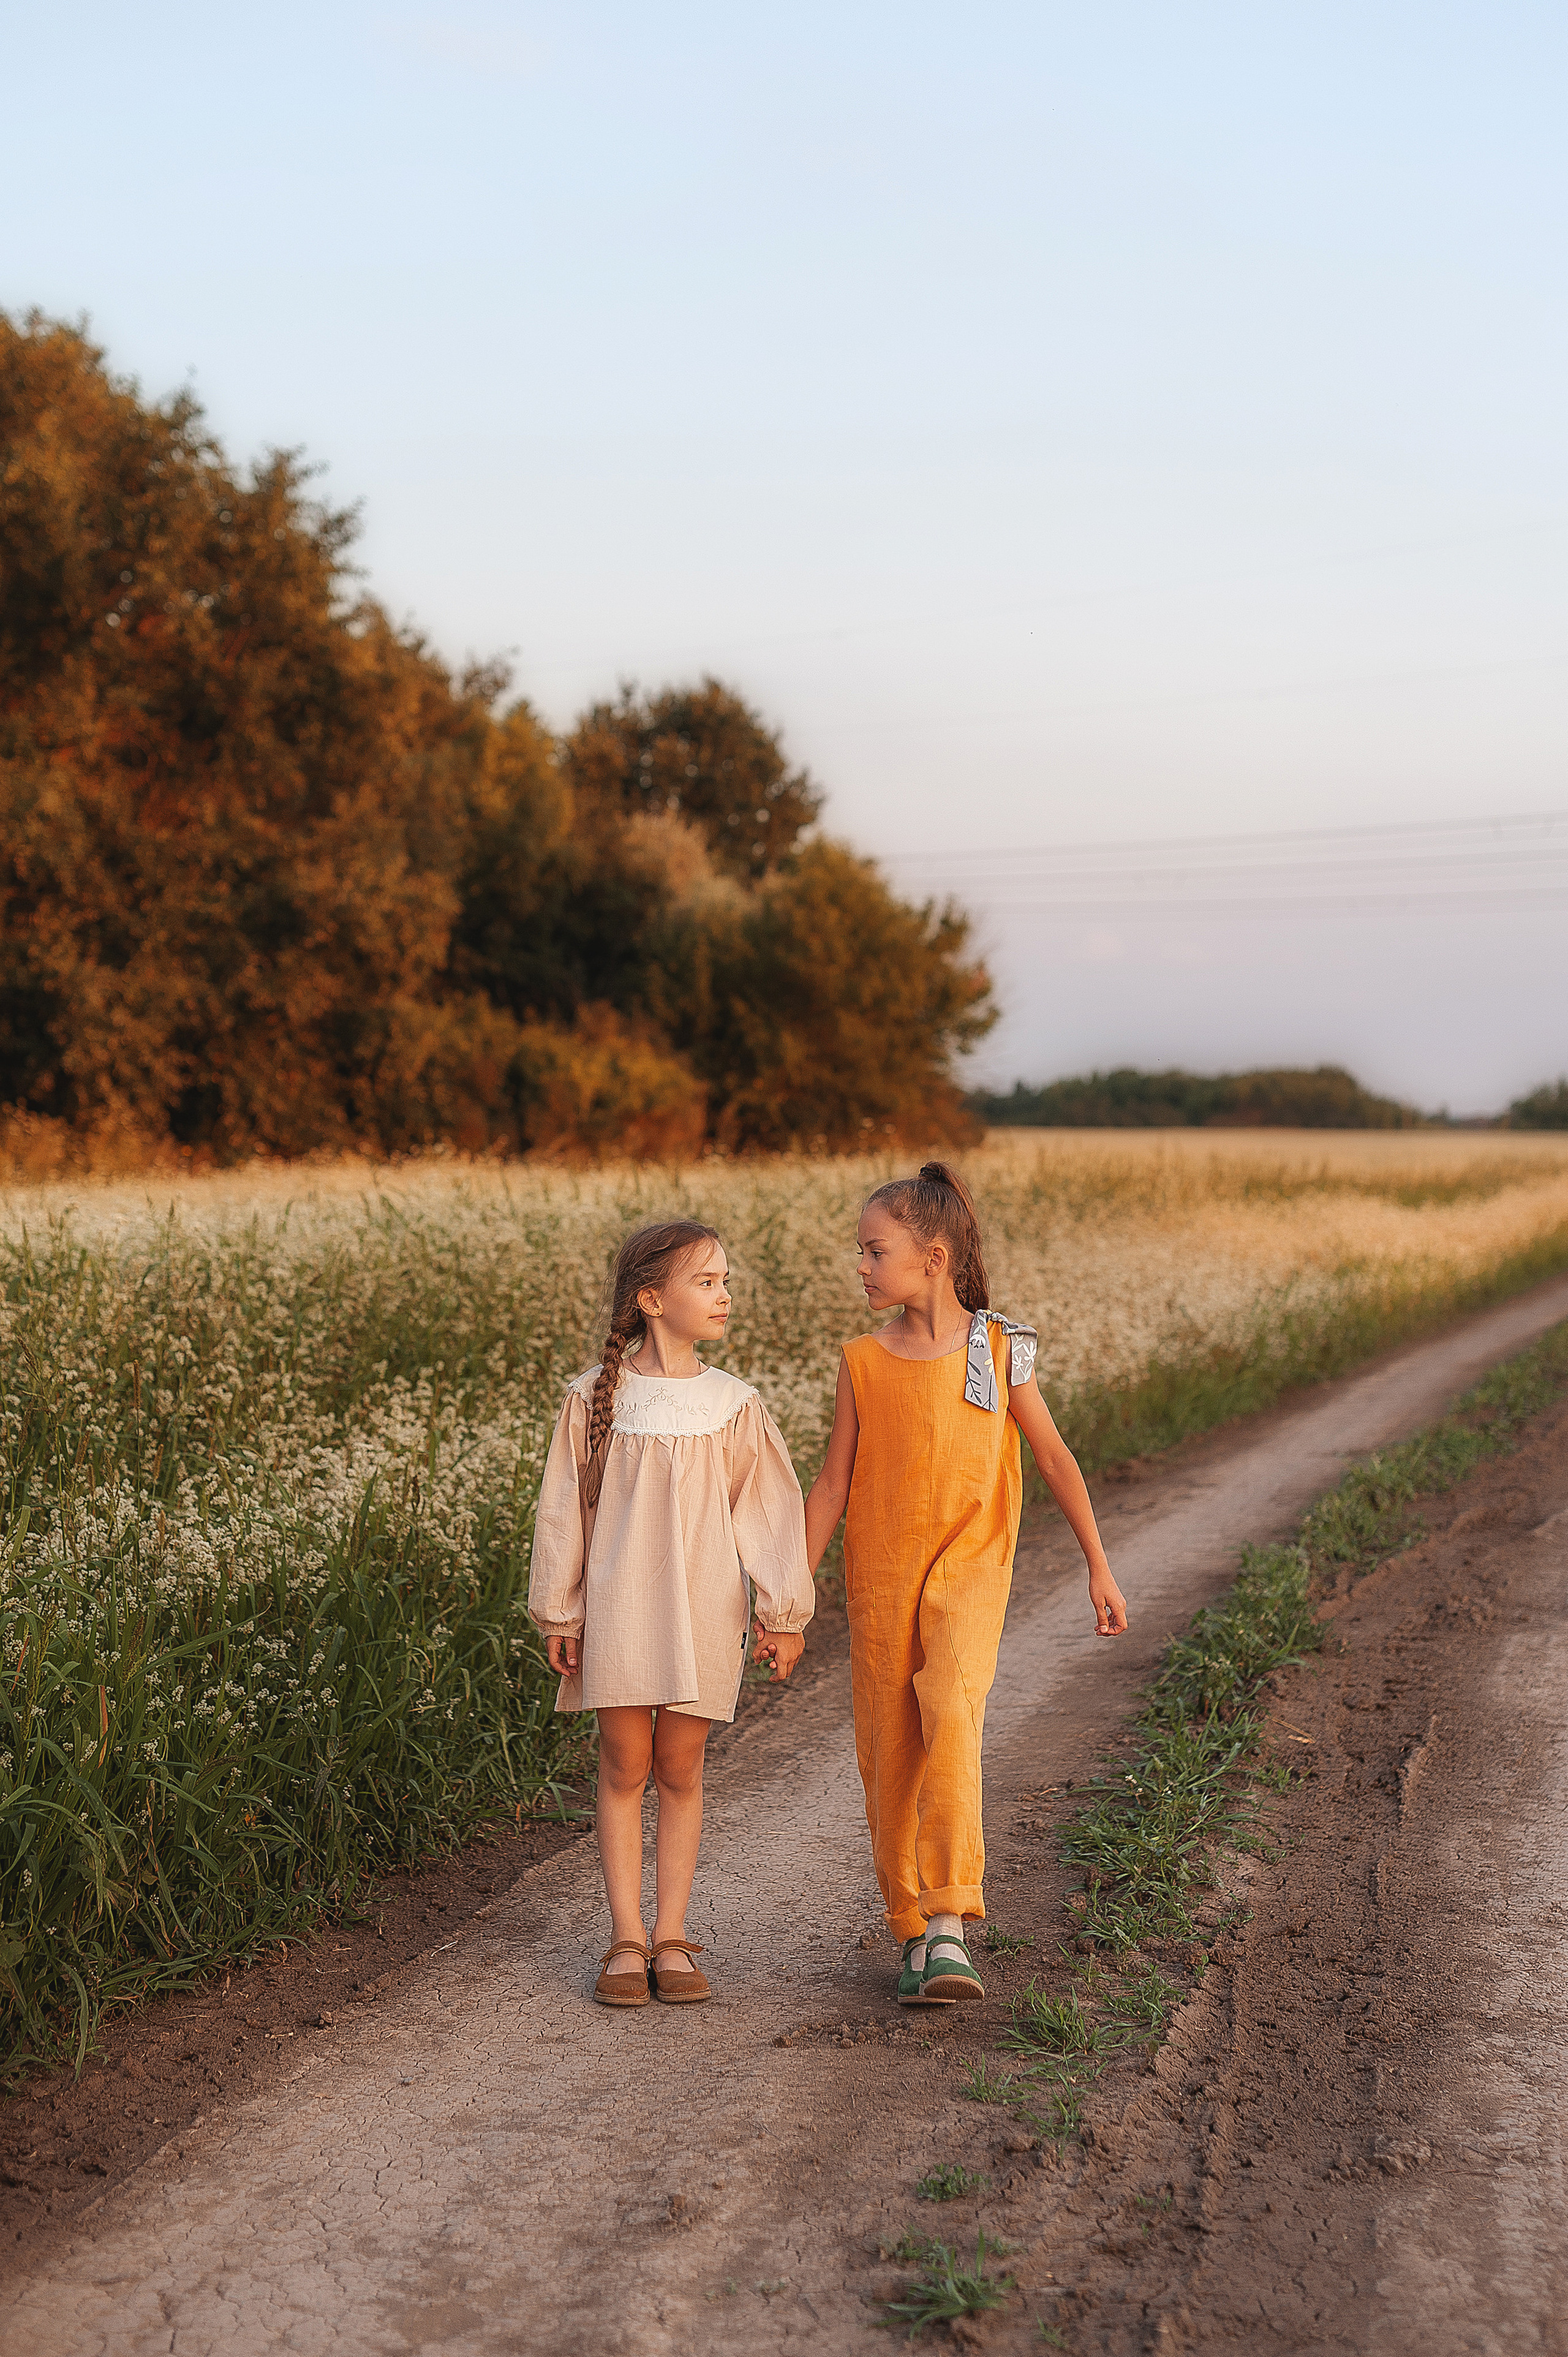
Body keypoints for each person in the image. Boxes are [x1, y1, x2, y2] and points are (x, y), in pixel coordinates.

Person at [804, 1162, 1127, 2008]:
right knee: (889, 1748)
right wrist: (788, 1600)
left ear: (934, 1258)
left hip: (971, 1570)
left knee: (950, 1709)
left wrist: (1098, 1563)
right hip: (882, 1578)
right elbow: (832, 1485)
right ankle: (912, 1928)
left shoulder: (1000, 1348)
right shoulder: (861, 1362)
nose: (861, 1266)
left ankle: (949, 1921)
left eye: (876, 1251)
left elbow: (1052, 1455)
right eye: (860, 1252)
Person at [529, 1219, 813, 2008]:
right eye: (707, 1282)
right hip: (620, 1610)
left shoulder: (732, 1404)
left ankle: (672, 1934)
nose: (726, 1296)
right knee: (625, 1765)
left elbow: (768, 1511)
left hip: (706, 1611)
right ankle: (626, 1938)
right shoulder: (592, 1397)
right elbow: (563, 1510)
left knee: (681, 1769)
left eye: (726, 1282)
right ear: (652, 1300)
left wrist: (783, 1612)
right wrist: (560, 1610)